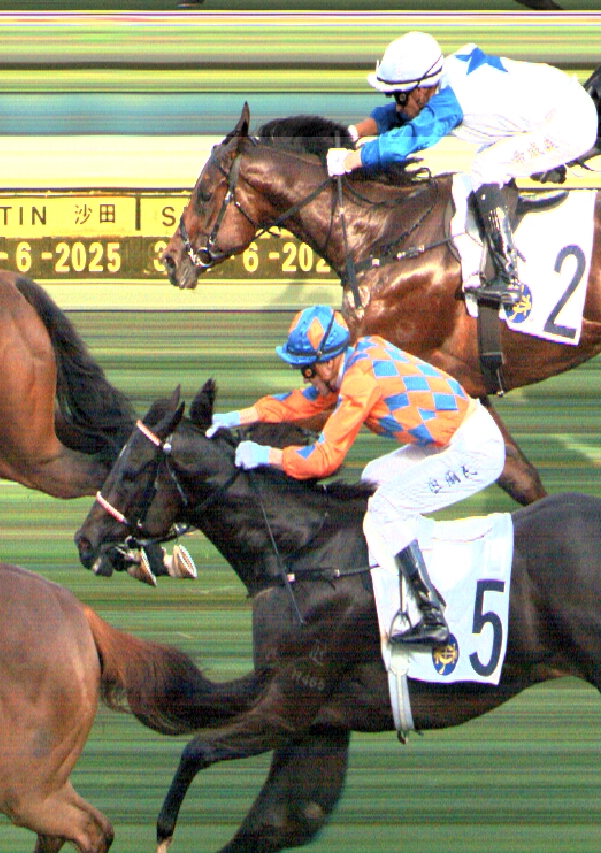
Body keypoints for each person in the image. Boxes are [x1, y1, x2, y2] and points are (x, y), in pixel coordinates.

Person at [209, 305, 505, 648]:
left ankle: (432, 614)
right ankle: (403, 571)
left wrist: (268, 456)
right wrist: (236, 417)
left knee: (385, 506)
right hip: (451, 439)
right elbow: (300, 403)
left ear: (326, 364)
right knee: (373, 478)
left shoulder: (360, 380)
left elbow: (324, 458)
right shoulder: (354, 360)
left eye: (306, 369)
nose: (304, 377)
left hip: (474, 449)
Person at [328, 32, 599, 305]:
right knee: (487, 159)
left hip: (570, 124)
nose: (397, 104)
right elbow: (403, 114)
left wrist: (352, 160)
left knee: (486, 167)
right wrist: (355, 132)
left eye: (399, 96)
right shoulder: (442, 75)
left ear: (420, 91)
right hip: (561, 104)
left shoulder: (449, 103)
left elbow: (410, 138)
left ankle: (508, 276)